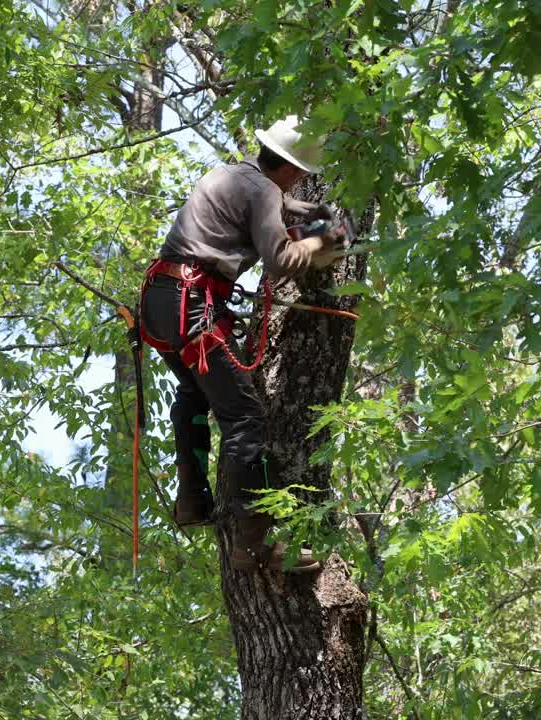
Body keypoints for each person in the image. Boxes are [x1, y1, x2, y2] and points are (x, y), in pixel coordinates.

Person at [139, 116, 341, 574]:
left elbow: (268, 203)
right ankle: (253, 547)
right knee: (244, 416)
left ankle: (191, 498)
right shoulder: (263, 191)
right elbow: (281, 259)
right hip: (192, 304)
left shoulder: (229, 173)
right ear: (296, 169)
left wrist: (303, 214)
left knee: (193, 393)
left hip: (162, 301)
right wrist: (320, 241)